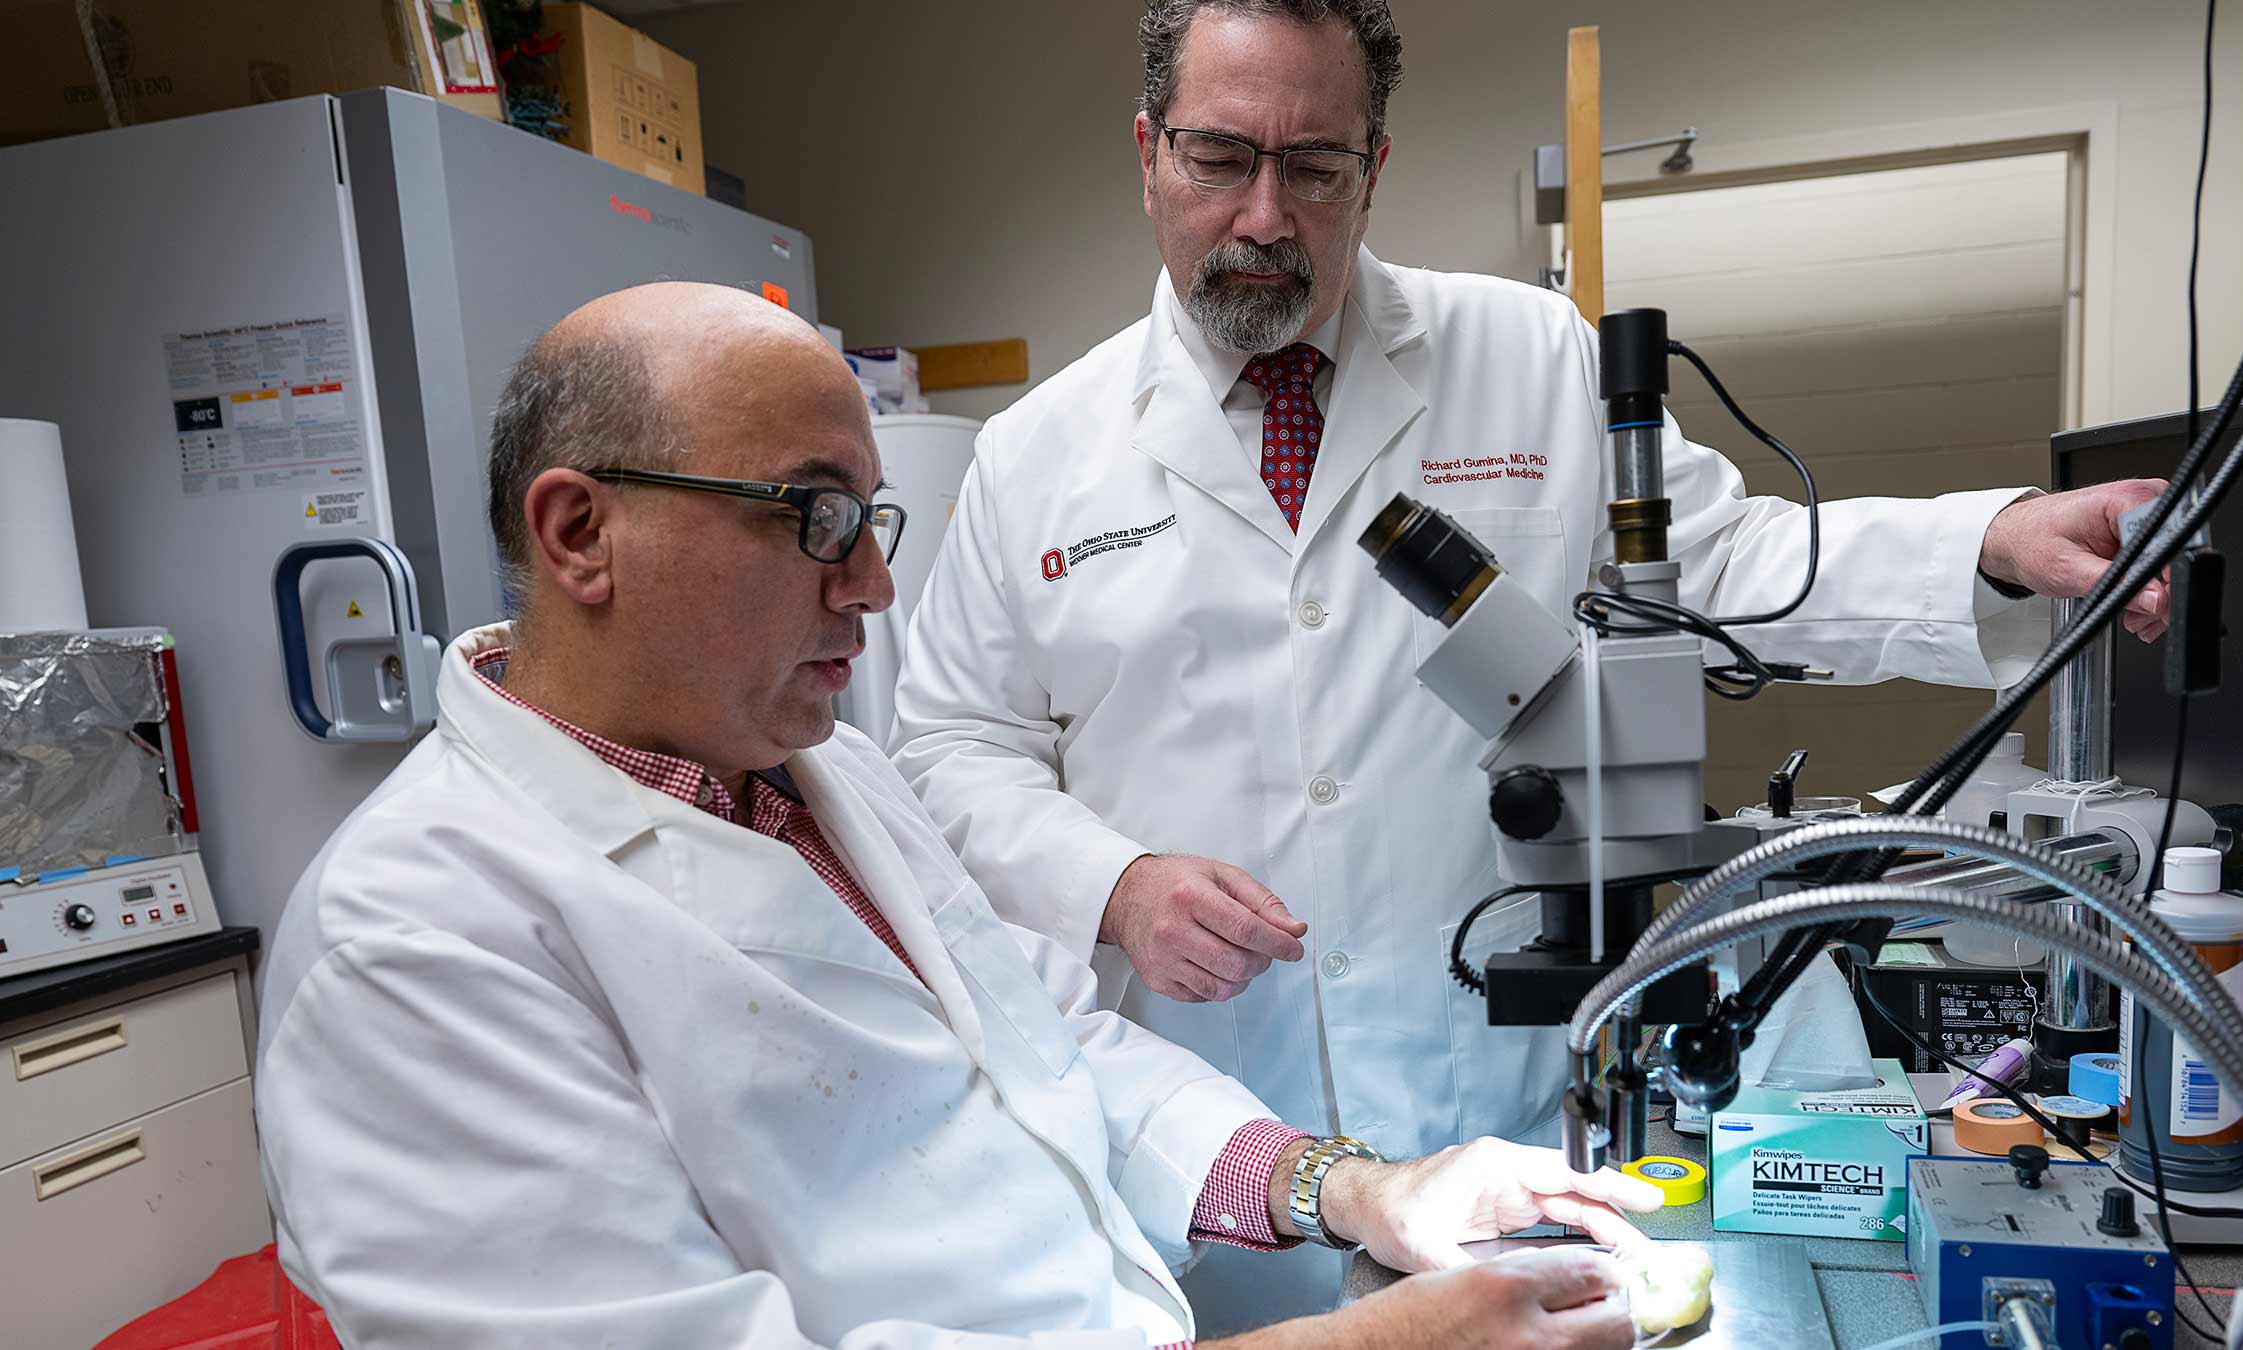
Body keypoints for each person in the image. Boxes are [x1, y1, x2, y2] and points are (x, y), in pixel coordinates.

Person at [887, 0, 2170, 1329]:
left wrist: (1995, 543)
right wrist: (1111, 882)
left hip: (1484, 1116)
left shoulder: (1527, 357)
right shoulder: (1038, 455)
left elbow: (1723, 567)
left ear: (1373, 169)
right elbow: (947, 753)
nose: (1266, 213)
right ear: (1150, 151)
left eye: (1315, 166)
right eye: (1220, 159)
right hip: (1209, 1137)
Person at [250, 282, 1670, 1350]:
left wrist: (1361, 1190)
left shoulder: (825, 776)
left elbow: (1056, 1049)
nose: (872, 585)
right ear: (579, 535)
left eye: (875, 520)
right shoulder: (411, 941)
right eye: (814, 516)